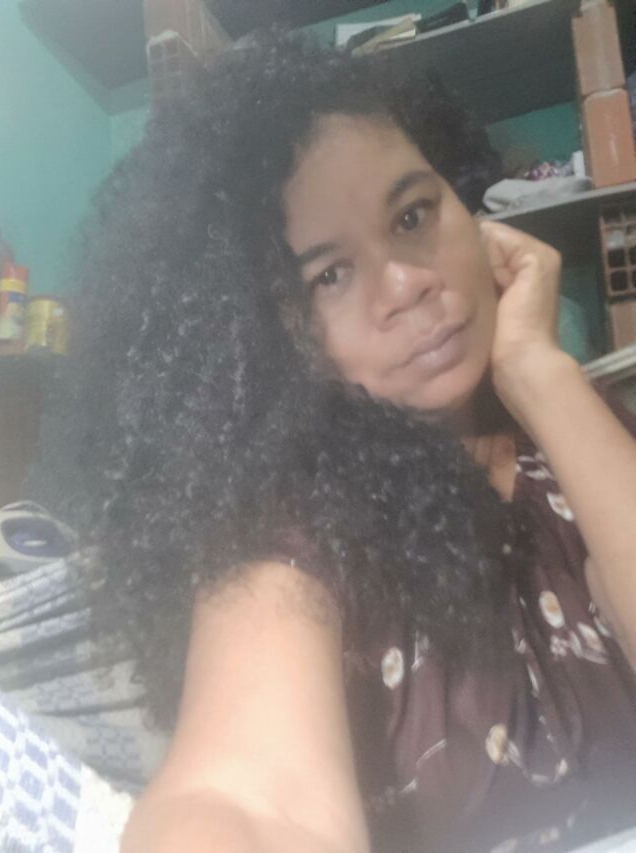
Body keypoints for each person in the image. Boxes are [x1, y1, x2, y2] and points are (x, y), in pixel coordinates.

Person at [56, 32, 636, 853]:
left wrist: (541, 374)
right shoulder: (288, 522)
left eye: (413, 215)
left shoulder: (582, 421)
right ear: (269, 334)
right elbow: (252, 796)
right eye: (328, 274)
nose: (407, 284)